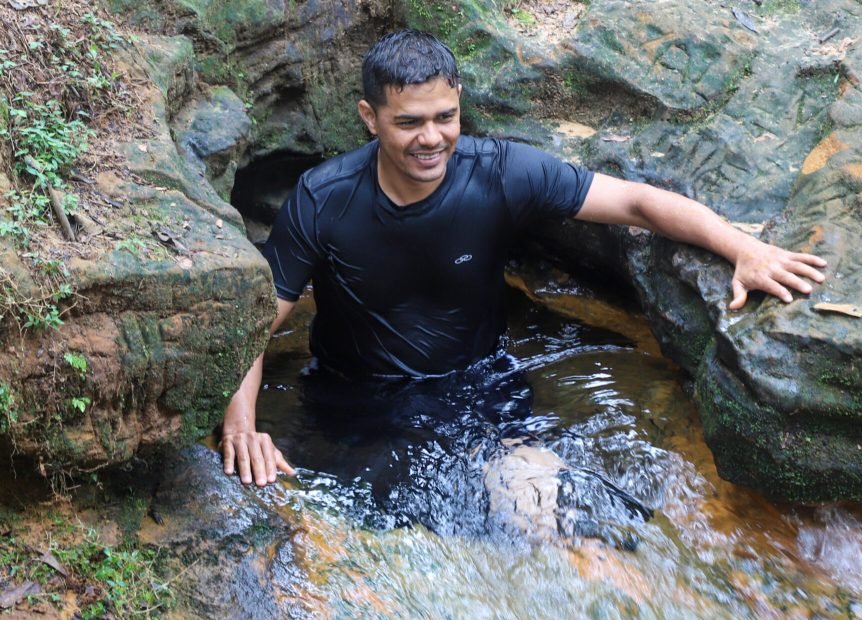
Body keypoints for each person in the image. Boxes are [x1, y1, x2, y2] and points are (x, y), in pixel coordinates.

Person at [219, 28, 827, 491]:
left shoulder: (502, 171)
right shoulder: (324, 200)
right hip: (357, 394)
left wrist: (744, 248)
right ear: (369, 117)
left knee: (533, 495)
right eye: (408, 123)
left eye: (444, 117)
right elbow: (255, 323)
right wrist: (242, 422)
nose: (431, 138)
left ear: (459, 104)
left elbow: (638, 204)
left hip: (481, 381)